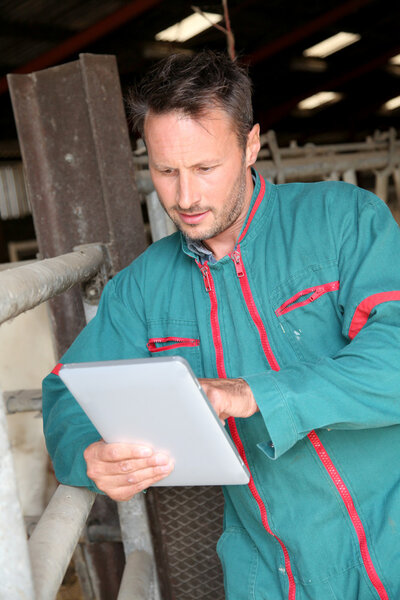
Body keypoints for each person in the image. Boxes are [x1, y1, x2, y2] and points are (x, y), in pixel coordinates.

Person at [42, 50, 400, 599]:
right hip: (271, 571)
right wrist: (89, 453)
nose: (185, 198)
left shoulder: (342, 220)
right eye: (165, 171)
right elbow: (67, 394)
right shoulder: (143, 288)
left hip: (390, 539)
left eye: (205, 168)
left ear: (251, 144)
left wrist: (252, 394)